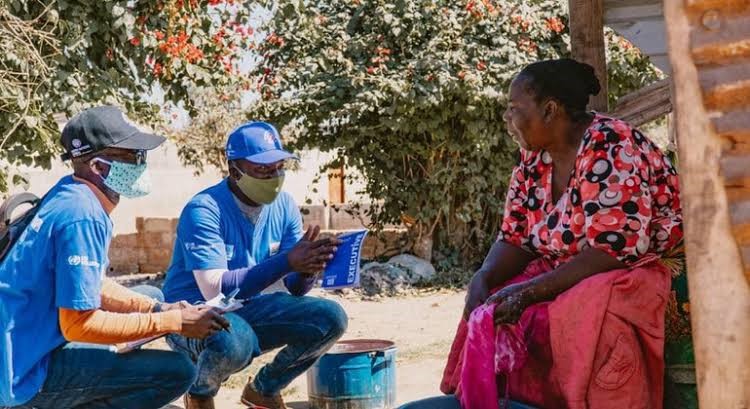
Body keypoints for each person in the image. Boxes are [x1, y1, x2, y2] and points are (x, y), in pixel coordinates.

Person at [441, 59, 683, 409]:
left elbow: (612, 250)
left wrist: (529, 292)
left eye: (514, 109)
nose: (507, 119)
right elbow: (515, 235)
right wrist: (483, 276)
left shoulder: (611, 146)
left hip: (628, 264)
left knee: (583, 309)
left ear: (550, 110)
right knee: (491, 302)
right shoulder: (533, 158)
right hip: (572, 264)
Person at [0, 106, 230, 409]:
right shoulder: (82, 216)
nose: (141, 165)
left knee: (151, 294)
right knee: (177, 372)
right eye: (133, 156)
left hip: (22, 340)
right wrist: (174, 321)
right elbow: (78, 326)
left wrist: (160, 308)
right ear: (98, 166)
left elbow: (92, 285)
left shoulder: (69, 192)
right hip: (22, 376)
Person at [162, 121, 348, 409]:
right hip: (193, 313)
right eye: (263, 169)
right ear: (234, 170)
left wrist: (306, 269)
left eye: (279, 167)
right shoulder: (204, 209)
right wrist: (287, 260)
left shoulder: (284, 205)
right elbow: (214, 289)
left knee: (330, 318)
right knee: (234, 341)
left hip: (247, 308)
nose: (274, 175)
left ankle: (264, 389)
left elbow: (294, 289)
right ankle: (199, 391)